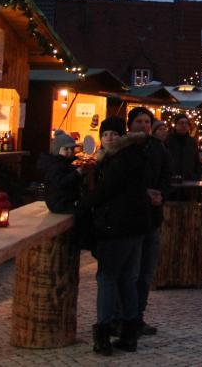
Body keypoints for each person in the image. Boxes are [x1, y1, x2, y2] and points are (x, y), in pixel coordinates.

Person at [80, 117, 149, 356]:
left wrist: (82, 203)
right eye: (105, 133)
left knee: (108, 278)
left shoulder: (120, 160)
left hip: (117, 227)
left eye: (113, 134)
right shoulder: (133, 155)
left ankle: (103, 336)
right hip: (135, 226)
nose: (109, 137)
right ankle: (129, 334)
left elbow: (105, 190)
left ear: (122, 136)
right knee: (126, 279)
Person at [126, 107, 172, 337]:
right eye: (139, 121)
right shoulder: (123, 148)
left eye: (147, 122)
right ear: (130, 125)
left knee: (145, 273)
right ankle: (123, 316)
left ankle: (137, 316)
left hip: (152, 218)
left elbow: (166, 176)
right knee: (129, 273)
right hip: (129, 220)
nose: (143, 125)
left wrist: (160, 193)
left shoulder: (158, 149)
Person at [39, 130, 83, 214]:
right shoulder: (55, 165)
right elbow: (60, 183)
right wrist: (76, 173)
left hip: (64, 201)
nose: (70, 151)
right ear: (57, 150)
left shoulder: (66, 162)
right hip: (59, 204)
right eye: (66, 149)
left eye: (72, 149)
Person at [165, 114, 200, 181]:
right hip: (172, 180)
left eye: (186, 123)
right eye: (181, 123)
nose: (184, 125)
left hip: (189, 179)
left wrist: (196, 176)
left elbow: (196, 161)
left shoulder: (192, 142)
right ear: (175, 125)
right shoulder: (168, 140)